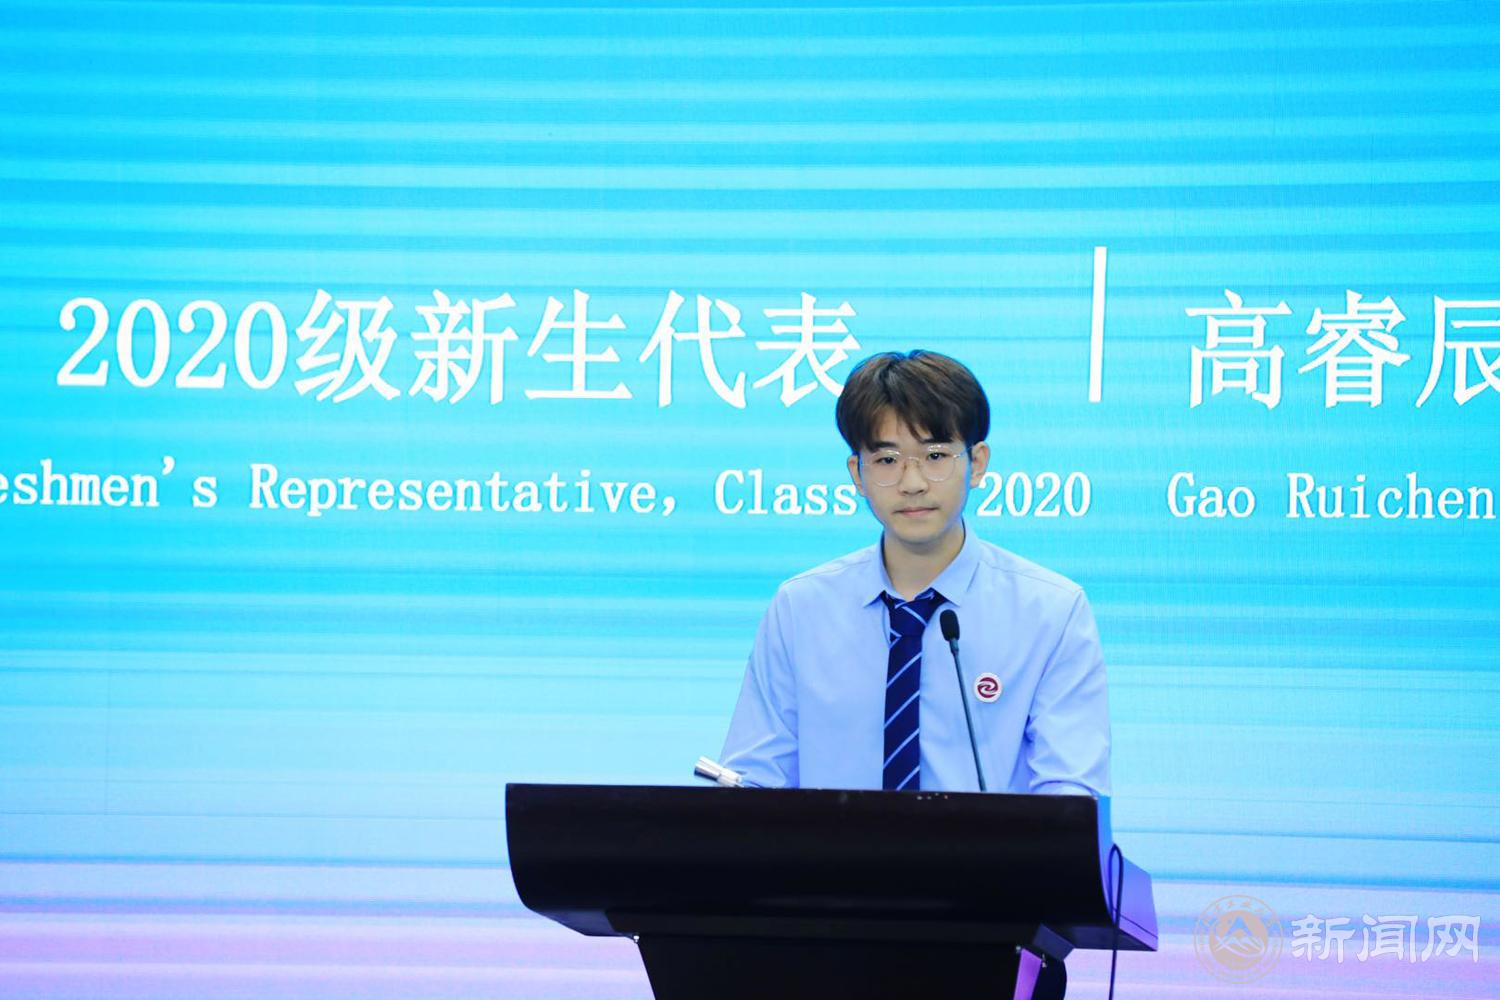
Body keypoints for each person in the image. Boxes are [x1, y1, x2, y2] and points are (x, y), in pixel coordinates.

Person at [719, 350, 1109, 798]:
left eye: (935, 455)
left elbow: (1072, 794)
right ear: (857, 473)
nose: (913, 482)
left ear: (978, 463)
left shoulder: (1051, 613)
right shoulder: (801, 609)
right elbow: (754, 779)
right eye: (887, 460)